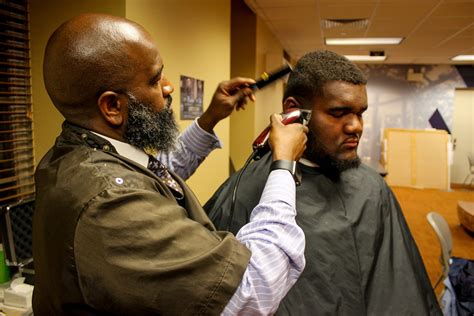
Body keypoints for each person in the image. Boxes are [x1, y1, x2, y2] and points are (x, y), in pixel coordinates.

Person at [33, 13, 309, 315]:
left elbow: (157, 172)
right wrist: (284, 164)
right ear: (112, 106)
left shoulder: (79, 152)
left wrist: (211, 117)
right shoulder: (111, 204)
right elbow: (254, 288)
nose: (168, 87)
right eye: (154, 79)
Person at [205, 50, 442, 315]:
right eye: (338, 113)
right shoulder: (249, 188)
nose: (356, 127)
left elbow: (398, 288)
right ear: (293, 111)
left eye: (360, 113)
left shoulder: (372, 188)